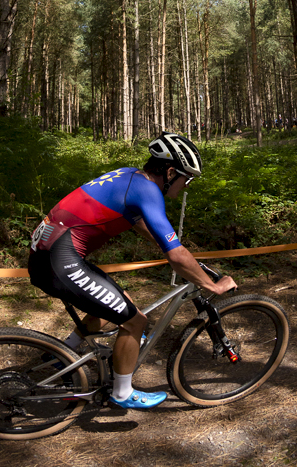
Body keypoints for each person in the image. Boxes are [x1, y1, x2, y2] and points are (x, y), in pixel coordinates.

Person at [27, 132, 237, 410]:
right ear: (171, 171)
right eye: (187, 178)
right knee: (135, 321)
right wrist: (213, 285)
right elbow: (174, 254)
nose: (186, 186)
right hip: (59, 260)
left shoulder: (129, 176)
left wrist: (179, 253)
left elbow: (142, 224)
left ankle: (62, 355)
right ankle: (122, 393)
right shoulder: (148, 191)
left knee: (120, 301)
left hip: (48, 254)